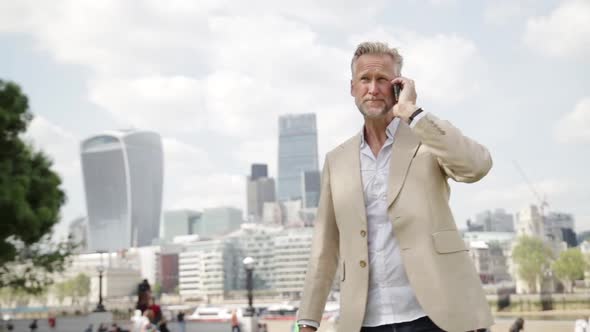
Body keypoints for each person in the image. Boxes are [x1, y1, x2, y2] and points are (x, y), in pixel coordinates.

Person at [296, 41, 494, 332]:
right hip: (364, 320)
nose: (373, 89)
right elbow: (324, 249)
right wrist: (307, 321)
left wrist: (413, 113)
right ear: (353, 88)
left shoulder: (426, 137)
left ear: (398, 86)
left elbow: (476, 166)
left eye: (382, 80)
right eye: (365, 79)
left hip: (437, 316)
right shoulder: (336, 161)